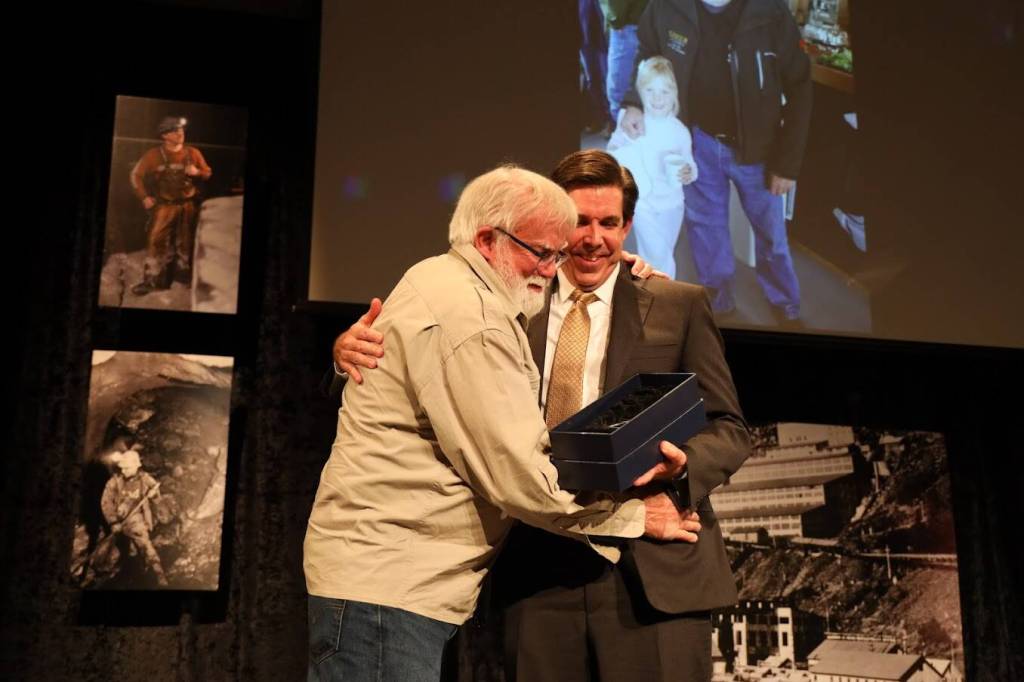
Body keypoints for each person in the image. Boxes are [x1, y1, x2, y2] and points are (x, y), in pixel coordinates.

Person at [335, 150, 751, 681]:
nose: (593, 239)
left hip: (655, 568)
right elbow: (411, 366)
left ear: (627, 226)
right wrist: (345, 353)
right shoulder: (501, 300)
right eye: (579, 221)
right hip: (537, 568)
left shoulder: (677, 304)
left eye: (609, 223)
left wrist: (682, 466)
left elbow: (730, 428)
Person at [618, 0, 812, 320]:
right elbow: (646, 56)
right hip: (698, 142)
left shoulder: (771, 11)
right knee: (707, 231)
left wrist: (787, 164)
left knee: (771, 236)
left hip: (761, 151)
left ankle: (786, 305)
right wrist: (634, 102)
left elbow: (800, 87)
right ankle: (719, 305)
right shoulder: (665, 8)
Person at [608, 55, 697, 278]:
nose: (657, 98)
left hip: (672, 205)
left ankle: (648, 293)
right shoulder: (633, 123)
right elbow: (612, 152)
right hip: (644, 204)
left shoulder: (679, 131)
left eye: (665, 92)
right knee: (658, 253)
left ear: (674, 94)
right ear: (640, 91)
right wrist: (621, 147)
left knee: (660, 252)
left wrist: (689, 172)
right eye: (650, 91)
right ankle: (666, 294)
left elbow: (691, 165)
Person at [129, 116, 212, 295]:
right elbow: (135, 175)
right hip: (165, 206)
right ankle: (151, 281)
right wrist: (144, 197)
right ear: (164, 136)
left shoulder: (193, 153)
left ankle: (183, 281)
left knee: (187, 242)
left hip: (188, 206)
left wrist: (197, 172)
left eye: (180, 130)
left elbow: (207, 173)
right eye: (174, 131)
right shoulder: (154, 155)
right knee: (156, 241)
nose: (179, 133)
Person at [100, 449, 168, 587]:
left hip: (136, 519)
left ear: (137, 466)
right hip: (118, 519)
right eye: (122, 468)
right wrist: (113, 522)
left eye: (127, 468)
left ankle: (158, 573)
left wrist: (153, 495)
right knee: (118, 552)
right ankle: (132, 566)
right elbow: (105, 502)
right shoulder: (115, 481)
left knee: (144, 544)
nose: (123, 471)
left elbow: (158, 500)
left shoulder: (146, 479)